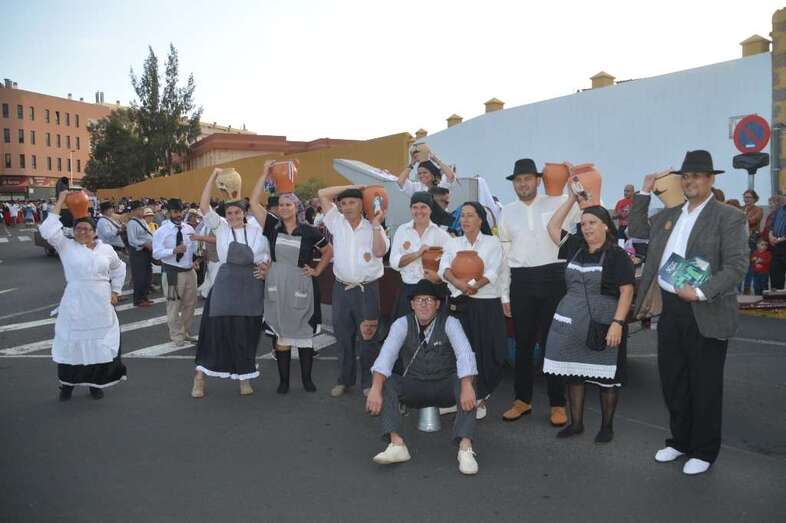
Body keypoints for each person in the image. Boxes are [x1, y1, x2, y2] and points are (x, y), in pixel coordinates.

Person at [628, 150, 748, 475]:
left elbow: (737, 265)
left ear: (710, 179)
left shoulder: (728, 216)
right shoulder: (670, 215)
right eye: (685, 176)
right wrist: (644, 191)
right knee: (673, 380)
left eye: (696, 176)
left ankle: (704, 450)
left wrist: (700, 291)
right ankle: (679, 441)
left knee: (704, 384)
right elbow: (636, 230)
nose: (690, 181)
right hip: (671, 308)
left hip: (706, 307)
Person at [542, 187, 635, 442]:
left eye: (592, 222)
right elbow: (552, 226)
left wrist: (617, 323)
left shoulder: (617, 255)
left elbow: (626, 291)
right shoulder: (574, 246)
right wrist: (572, 200)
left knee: (607, 379)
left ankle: (607, 427)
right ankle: (576, 424)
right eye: (583, 224)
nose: (586, 228)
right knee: (574, 375)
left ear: (605, 225)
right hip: (572, 322)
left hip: (605, 322)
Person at [366, 279, 479, 475]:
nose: (424, 304)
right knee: (386, 382)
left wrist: (467, 385)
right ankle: (397, 445)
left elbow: (465, 354)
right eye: (419, 300)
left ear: (437, 304)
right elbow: (386, 357)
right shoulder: (402, 324)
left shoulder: (451, 323)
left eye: (429, 300)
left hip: (444, 385)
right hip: (415, 386)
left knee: (465, 382)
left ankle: (465, 447)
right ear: (412, 304)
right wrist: (375, 389)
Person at [497, 159, 577, 425]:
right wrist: (505, 295)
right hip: (521, 280)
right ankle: (522, 400)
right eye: (518, 180)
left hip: (554, 277)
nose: (522, 184)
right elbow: (504, 256)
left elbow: (587, 206)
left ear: (538, 180)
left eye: (527, 179)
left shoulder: (558, 202)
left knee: (553, 343)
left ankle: (558, 403)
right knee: (523, 344)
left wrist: (574, 179)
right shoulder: (507, 212)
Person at [250, 163, 333, 394]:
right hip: (276, 283)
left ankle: (307, 380)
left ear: (297, 207)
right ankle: (284, 381)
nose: (284, 208)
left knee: (304, 334)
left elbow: (328, 251)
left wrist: (317, 270)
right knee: (282, 335)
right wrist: (264, 174)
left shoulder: (310, 231)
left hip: (301, 284)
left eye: (289, 204)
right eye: (281, 205)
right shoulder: (271, 226)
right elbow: (253, 202)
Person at [39, 190, 127, 400]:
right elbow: (48, 230)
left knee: (98, 344)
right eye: (78, 229)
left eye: (87, 229)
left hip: (100, 304)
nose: (82, 232)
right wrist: (61, 200)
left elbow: (119, 268)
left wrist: (116, 290)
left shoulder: (106, 250)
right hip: (76, 303)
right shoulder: (66, 246)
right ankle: (67, 385)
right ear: (73, 231)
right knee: (72, 344)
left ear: (94, 232)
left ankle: (95, 384)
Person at [192, 169, 271, 398]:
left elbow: (269, 255)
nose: (233, 216)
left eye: (237, 212)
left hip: (251, 284)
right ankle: (199, 378)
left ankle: (244, 377)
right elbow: (204, 205)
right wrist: (213, 175)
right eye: (229, 213)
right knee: (215, 333)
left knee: (246, 333)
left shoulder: (258, 230)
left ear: (244, 213)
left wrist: (266, 268)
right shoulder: (221, 227)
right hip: (225, 285)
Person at [317, 184, 390, 398]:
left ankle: (368, 383)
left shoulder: (373, 227)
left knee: (368, 338)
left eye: (353, 202)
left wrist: (375, 225)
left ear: (362, 204)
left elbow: (380, 251)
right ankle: (344, 381)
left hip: (367, 290)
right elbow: (322, 193)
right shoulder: (336, 222)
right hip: (342, 289)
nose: (347, 207)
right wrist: (355, 187)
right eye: (344, 203)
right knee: (342, 336)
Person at [438, 202, 506, 420]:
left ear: (480, 219)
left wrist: (474, 285)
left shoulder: (492, 242)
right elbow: (443, 268)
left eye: (470, 215)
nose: (465, 220)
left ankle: (480, 398)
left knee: (484, 351)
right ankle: (457, 397)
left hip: (485, 303)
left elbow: (493, 270)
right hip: (459, 302)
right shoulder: (453, 242)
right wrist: (458, 284)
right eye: (463, 216)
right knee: (458, 351)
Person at [389, 192, 450, 321]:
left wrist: (439, 278)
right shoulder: (402, 230)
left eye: (423, 207)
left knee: (433, 330)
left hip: (433, 291)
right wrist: (418, 253)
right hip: (408, 290)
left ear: (430, 209)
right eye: (415, 207)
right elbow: (394, 262)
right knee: (406, 329)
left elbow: (451, 264)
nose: (419, 211)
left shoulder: (441, 235)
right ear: (410, 209)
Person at [153, 199, 198, 347]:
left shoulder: (189, 229)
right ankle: (177, 335)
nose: (178, 215)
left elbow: (193, 248)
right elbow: (156, 253)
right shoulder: (161, 231)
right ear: (168, 213)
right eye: (175, 212)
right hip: (172, 273)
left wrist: (196, 259)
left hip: (189, 271)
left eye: (180, 212)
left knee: (190, 304)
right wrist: (173, 250)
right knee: (173, 306)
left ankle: (185, 332)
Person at [126, 201, 155, 307]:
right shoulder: (132, 223)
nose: (142, 211)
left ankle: (144, 297)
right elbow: (132, 240)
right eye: (140, 209)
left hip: (146, 251)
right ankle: (138, 300)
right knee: (139, 276)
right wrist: (144, 243)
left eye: (142, 209)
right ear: (134, 211)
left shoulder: (142, 221)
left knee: (147, 275)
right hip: (138, 252)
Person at [767, 197, 786, 290]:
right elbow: (772, 226)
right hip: (777, 247)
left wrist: (781, 239)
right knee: (775, 274)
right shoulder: (780, 209)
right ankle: (777, 297)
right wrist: (770, 236)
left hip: (783, 243)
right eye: (785, 195)